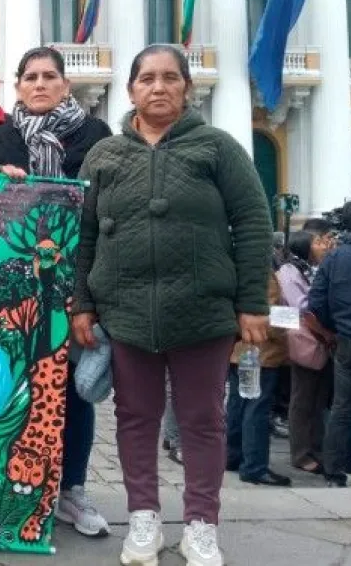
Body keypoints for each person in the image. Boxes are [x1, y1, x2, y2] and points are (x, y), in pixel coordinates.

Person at [72, 44, 272, 566]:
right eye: (147, 78)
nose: (158, 87)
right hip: (127, 310)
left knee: (202, 419)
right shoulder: (105, 156)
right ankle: (144, 519)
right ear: (131, 88)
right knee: (135, 418)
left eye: (169, 78)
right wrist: (83, 304)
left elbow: (253, 222)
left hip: (203, 310)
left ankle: (202, 524)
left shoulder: (217, 148)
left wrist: (252, 303)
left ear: (187, 87)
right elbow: (85, 236)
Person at [0, 46, 112, 538]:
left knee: (74, 396)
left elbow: (101, 202)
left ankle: (72, 490)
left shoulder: (94, 135)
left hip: (77, 281)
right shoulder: (3, 138)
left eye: (49, 76)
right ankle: (16, 486)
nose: (39, 84)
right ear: (17, 85)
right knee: (23, 389)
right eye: (30, 76)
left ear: (66, 85)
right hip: (23, 284)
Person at [310, 198, 351, 488]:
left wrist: (332, 330)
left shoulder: (333, 258)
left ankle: (335, 471)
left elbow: (316, 303)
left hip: (345, 341)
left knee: (342, 408)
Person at [225, 272, 291, 486]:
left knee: (238, 404)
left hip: (239, 351)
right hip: (261, 353)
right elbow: (267, 320)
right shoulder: (263, 276)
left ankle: (232, 455)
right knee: (256, 408)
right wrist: (286, 328)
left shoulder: (236, 274)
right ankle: (254, 466)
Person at [279, 229, 334, 475]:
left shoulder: (310, 269)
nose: (322, 245)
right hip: (305, 338)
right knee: (302, 398)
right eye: (317, 241)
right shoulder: (289, 272)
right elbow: (302, 307)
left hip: (320, 338)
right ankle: (301, 453)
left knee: (318, 398)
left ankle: (317, 447)